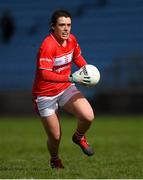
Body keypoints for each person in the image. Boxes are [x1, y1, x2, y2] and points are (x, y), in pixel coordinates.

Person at [32, 9, 95, 169]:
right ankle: (54, 159)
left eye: (69, 25)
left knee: (88, 116)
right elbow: (45, 74)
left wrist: (87, 71)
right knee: (55, 136)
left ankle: (79, 137)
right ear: (53, 26)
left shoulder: (72, 40)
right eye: (62, 25)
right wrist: (71, 78)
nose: (66, 28)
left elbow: (77, 57)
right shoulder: (48, 45)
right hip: (45, 95)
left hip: (65, 87)